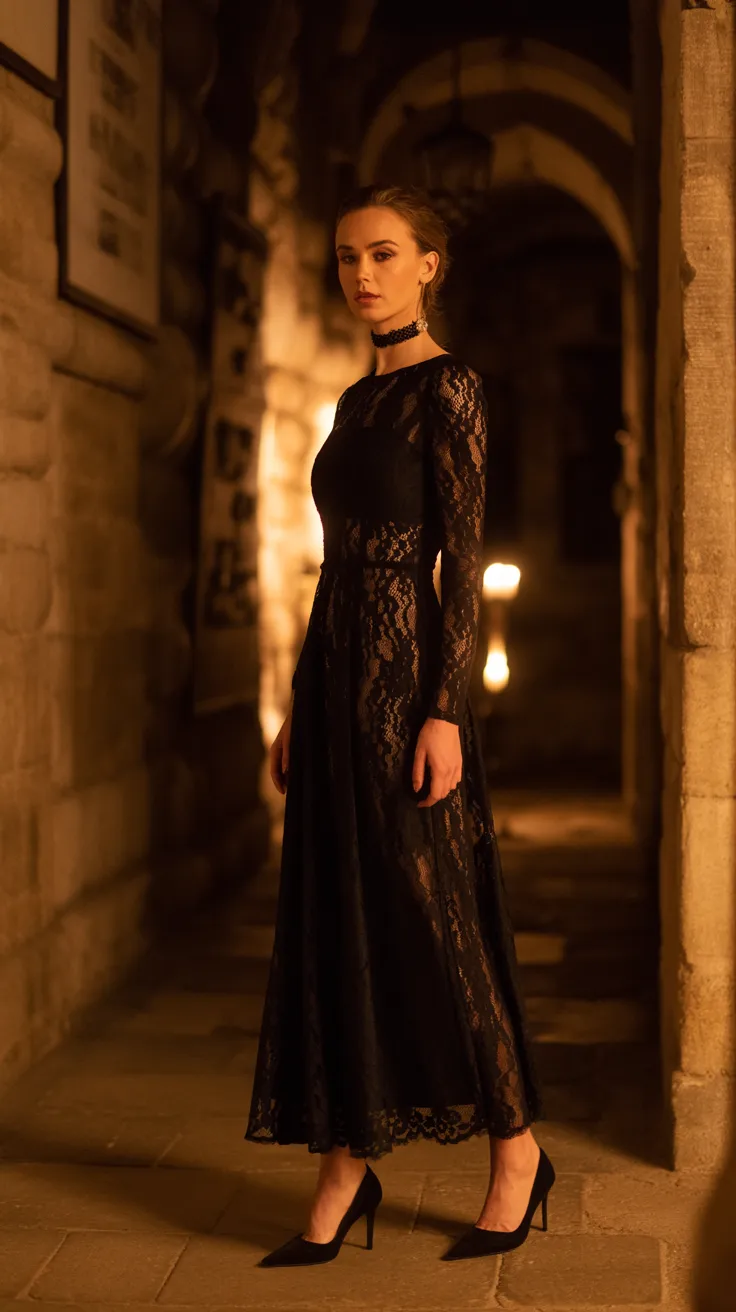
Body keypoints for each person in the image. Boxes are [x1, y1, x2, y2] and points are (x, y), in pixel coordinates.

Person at [245, 183, 554, 1267]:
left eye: (382, 255)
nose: (361, 274)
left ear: (429, 265)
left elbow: (458, 559)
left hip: (407, 680)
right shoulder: (350, 402)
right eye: (345, 259)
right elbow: (337, 565)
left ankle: (515, 1148)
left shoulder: (449, 388)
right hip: (336, 674)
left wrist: (443, 709)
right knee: (341, 911)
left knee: (436, 914)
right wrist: (295, 696)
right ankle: (346, 1163)